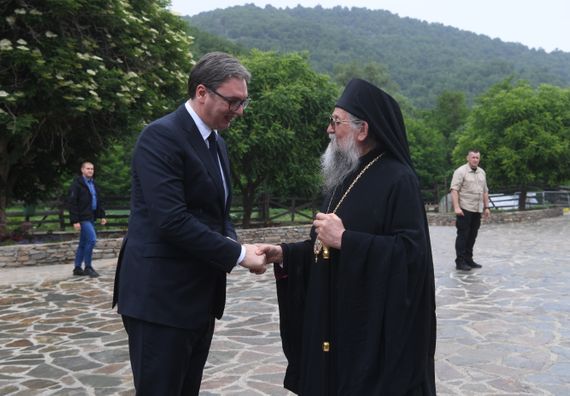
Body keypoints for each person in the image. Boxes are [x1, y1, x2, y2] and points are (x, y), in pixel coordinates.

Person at [257, 79, 436, 395]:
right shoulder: (345, 175)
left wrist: (347, 240)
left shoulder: (399, 179)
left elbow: (412, 256)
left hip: (370, 334)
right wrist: (285, 253)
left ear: (363, 129)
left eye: (335, 122)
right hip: (333, 321)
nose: (329, 129)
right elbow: (324, 245)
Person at [111, 52, 266, 395]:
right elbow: (172, 220)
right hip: (160, 300)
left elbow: (218, 214)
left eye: (244, 102)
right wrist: (238, 255)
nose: (239, 111)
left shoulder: (216, 142)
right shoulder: (160, 137)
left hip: (197, 299)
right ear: (201, 92)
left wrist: (241, 245)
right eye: (233, 101)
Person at [450, 149, 491, 271]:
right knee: (463, 235)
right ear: (468, 158)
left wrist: (486, 207)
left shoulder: (482, 172)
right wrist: (457, 207)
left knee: (472, 236)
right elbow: (454, 190)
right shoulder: (460, 171)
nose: (475, 160)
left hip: (477, 209)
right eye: (473, 157)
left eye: (477, 157)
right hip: (464, 208)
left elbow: (485, 191)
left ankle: (468, 259)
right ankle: (460, 261)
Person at [67, 161, 107, 278]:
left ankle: (77, 268)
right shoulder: (77, 185)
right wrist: (75, 220)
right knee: (92, 240)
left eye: (92, 169)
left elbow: (98, 201)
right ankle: (88, 267)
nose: (90, 171)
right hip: (82, 218)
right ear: (82, 170)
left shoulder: (94, 184)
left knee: (83, 243)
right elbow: (72, 203)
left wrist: (102, 215)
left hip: (91, 217)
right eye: (88, 169)